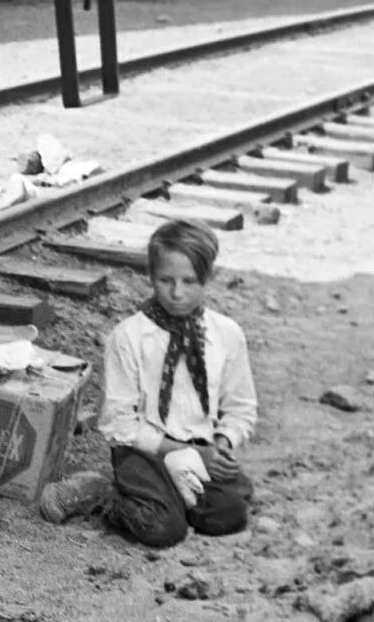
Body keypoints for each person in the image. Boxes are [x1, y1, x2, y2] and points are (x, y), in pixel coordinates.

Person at [98, 219, 258, 548]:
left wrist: (221, 446)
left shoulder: (226, 334)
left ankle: (173, 495)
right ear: (151, 276)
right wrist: (182, 452)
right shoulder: (129, 336)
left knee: (230, 516)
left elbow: (241, 408)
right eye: (166, 280)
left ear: (207, 278)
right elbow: (118, 424)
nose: (177, 293)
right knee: (163, 530)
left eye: (189, 281)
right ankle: (106, 496)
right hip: (144, 450)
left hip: (201, 447)